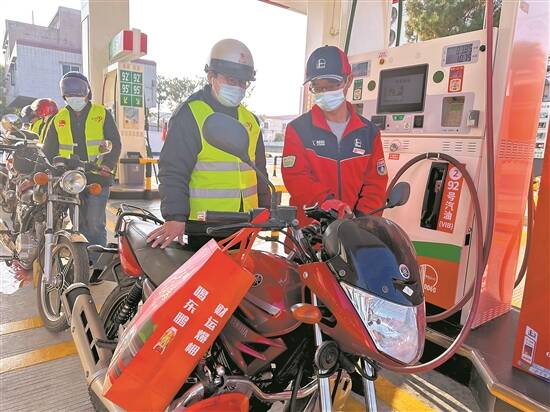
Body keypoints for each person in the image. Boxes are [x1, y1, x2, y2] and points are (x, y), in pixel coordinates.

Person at [148, 39, 270, 249]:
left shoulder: (250, 120)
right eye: (231, 80)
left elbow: (259, 170)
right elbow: (173, 169)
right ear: (211, 76)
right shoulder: (191, 114)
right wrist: (175, 216)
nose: (238, 87)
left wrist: (266, 208)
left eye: (243, 82)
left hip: (245, 222)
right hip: (205, 225)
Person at [282, 45, 388, 224]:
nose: (325, 93)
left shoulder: (369, 133)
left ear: (349, 80)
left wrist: (360, 221)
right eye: (318, 88)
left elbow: (375, 184)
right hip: (309, 232)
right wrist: (328, 206)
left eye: (331, 86)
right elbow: (297, 179)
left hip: (354, 232)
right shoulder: (298, 130)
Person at [43, 72, 121, 251]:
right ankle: (82, 261)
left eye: (78, 95)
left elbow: (115, 143)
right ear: (64, 96)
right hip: (70, 179)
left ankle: (96, 263)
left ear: (87, 94)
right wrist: (48, 168)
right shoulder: (59, 118)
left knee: (94, 224)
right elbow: (48, 150)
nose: (75, 99)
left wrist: (108, 164)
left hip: (97, 176)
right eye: (70, 95)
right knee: (78, 223)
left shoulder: (101, 113)